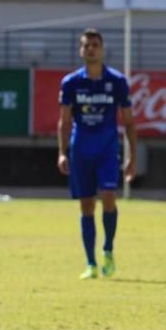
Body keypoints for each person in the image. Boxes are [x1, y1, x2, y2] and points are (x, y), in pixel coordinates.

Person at [57, 28, 137, 280]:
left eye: (94, 44)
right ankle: (90, 263)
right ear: (80, 51)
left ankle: (108, 250)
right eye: (86, 45)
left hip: (107, 150)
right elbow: (64, 121)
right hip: (80, 150)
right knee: (87, 205)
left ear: (102, 49)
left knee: (109, 196)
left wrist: (132, 156)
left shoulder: (117, 81)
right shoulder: (71, 83)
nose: (90, 49)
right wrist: (62, 152)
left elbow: (129, 122)